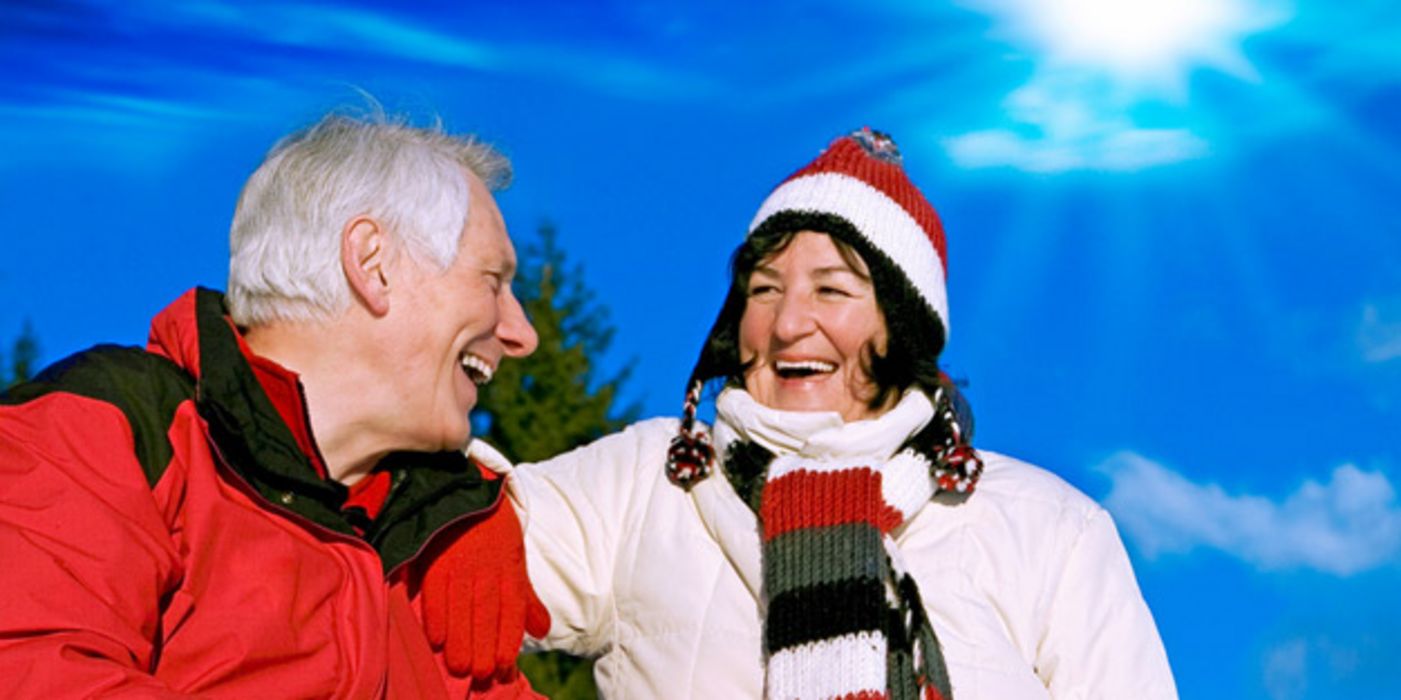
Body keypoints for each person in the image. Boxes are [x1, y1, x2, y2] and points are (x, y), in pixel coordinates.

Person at [427, 128, 1179, 698]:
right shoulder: (649, 481)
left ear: (901, 325)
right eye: (761, 289)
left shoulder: (1046, 527)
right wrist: (462, 511)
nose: (787, 324)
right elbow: (423, 542)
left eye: (831, 290)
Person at [0, 110, 549, 698]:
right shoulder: (109, 433)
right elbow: (35, 668)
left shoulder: (427, 537)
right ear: (372, 265)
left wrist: (465, 504)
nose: (522, 334)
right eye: (492, 281)